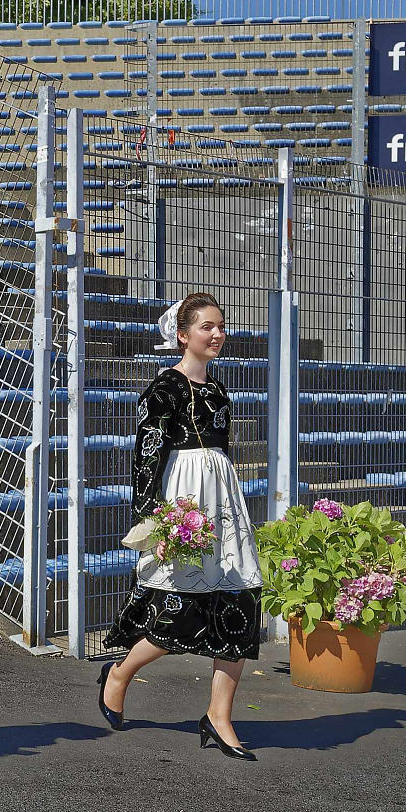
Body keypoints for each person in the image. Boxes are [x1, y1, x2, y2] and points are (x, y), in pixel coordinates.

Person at [99, 292, 264, 761]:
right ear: (182, 335)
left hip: (222, 501)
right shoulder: (163, 389)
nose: (217, 334)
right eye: (207, 326)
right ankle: (119, 673)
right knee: (176, 610)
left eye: (221, 325)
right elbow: (147, 456)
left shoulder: (217, 390)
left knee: (239, 600)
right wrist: (153, 516)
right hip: (183, 501)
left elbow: (221, 451)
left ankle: (219, 717)